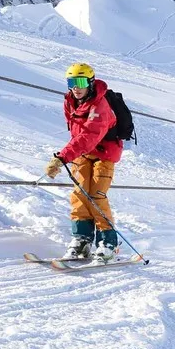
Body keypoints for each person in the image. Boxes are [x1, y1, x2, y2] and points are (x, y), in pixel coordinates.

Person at [43, 62, 124, 262]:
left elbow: (89, 135)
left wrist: (62, 157)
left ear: (90, 82)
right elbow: (75, 133)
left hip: (104, 153)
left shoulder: (100, 105)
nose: (76, 87)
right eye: (71, 82)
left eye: (80, 82)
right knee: (80, 194)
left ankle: (108, 243)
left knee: (96, 194)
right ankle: (82, 239)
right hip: (81, 153)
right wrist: (69, 155)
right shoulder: (70, 101)